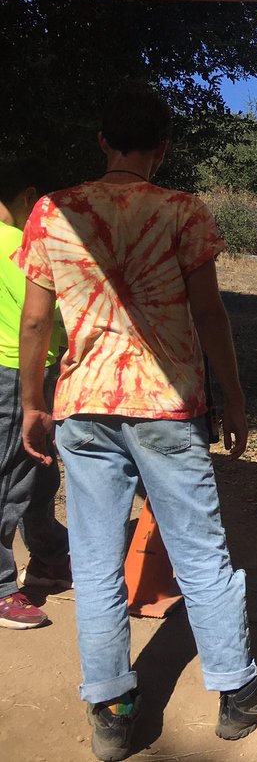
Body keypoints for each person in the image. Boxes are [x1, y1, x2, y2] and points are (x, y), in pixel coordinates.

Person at [17, 86, 257, 762]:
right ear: (163, 147)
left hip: (84, 405)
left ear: (102, 140)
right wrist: (232, 396)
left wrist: (34, 401)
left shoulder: (54, 212)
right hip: (168, 404)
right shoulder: (182, 212)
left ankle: (113, 711)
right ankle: (238, 695)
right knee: (201, 551)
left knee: (94, 559)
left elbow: (36, 319)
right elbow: (210, 317)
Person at [0, 168, 71, 629]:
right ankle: (4, 586)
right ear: (28, 196)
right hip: (14, 375)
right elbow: (46, 313)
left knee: (37, 471)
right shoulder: (14, 247)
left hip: (24, 373)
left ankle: (47, 556)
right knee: (10, 477)